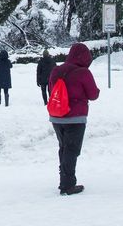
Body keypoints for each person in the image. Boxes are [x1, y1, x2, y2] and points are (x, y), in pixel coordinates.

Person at [48, 42, 100, 195]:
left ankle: (64, 179)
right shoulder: (83, 72)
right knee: (72, 150)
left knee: (63, 148)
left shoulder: (56, 70)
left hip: (56, 116)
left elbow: (51, 89)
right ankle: (67, 185)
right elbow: (93, 94)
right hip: (75, 117)